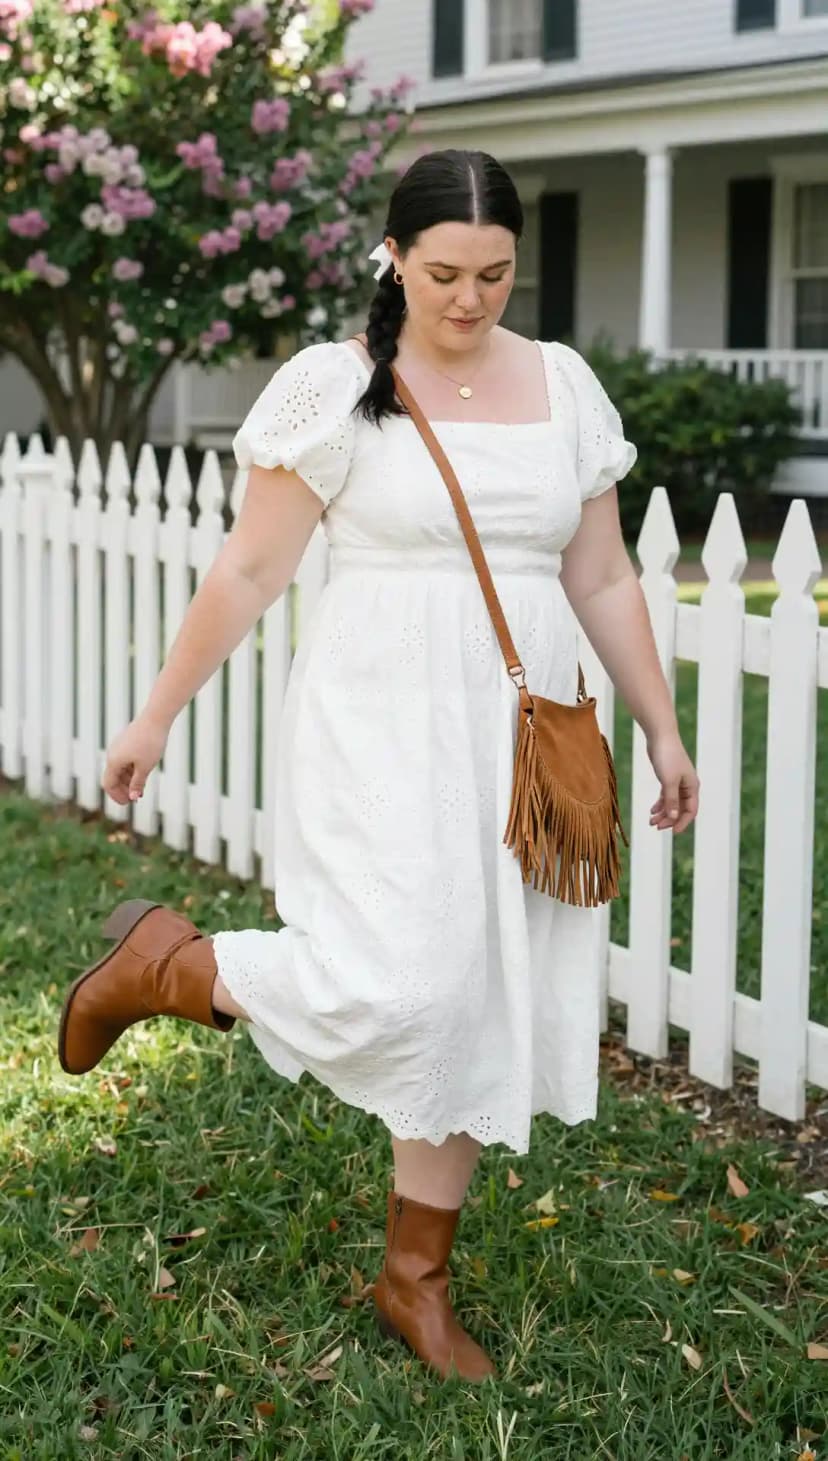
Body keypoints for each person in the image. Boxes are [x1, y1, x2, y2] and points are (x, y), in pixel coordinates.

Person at [57, 147, 700, 1384]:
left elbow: (604, 574)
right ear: (393, 257)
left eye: (495, 275)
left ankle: (416, 1280)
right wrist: (155, 716)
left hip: (525, 730)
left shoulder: (563, 386)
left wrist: (661, 728)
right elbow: (250, 567)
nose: (470, 300)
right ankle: (171, 967)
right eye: (445, 273)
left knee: (479, 994)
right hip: (381, 720)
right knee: (396, 988)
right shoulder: (336, 386)